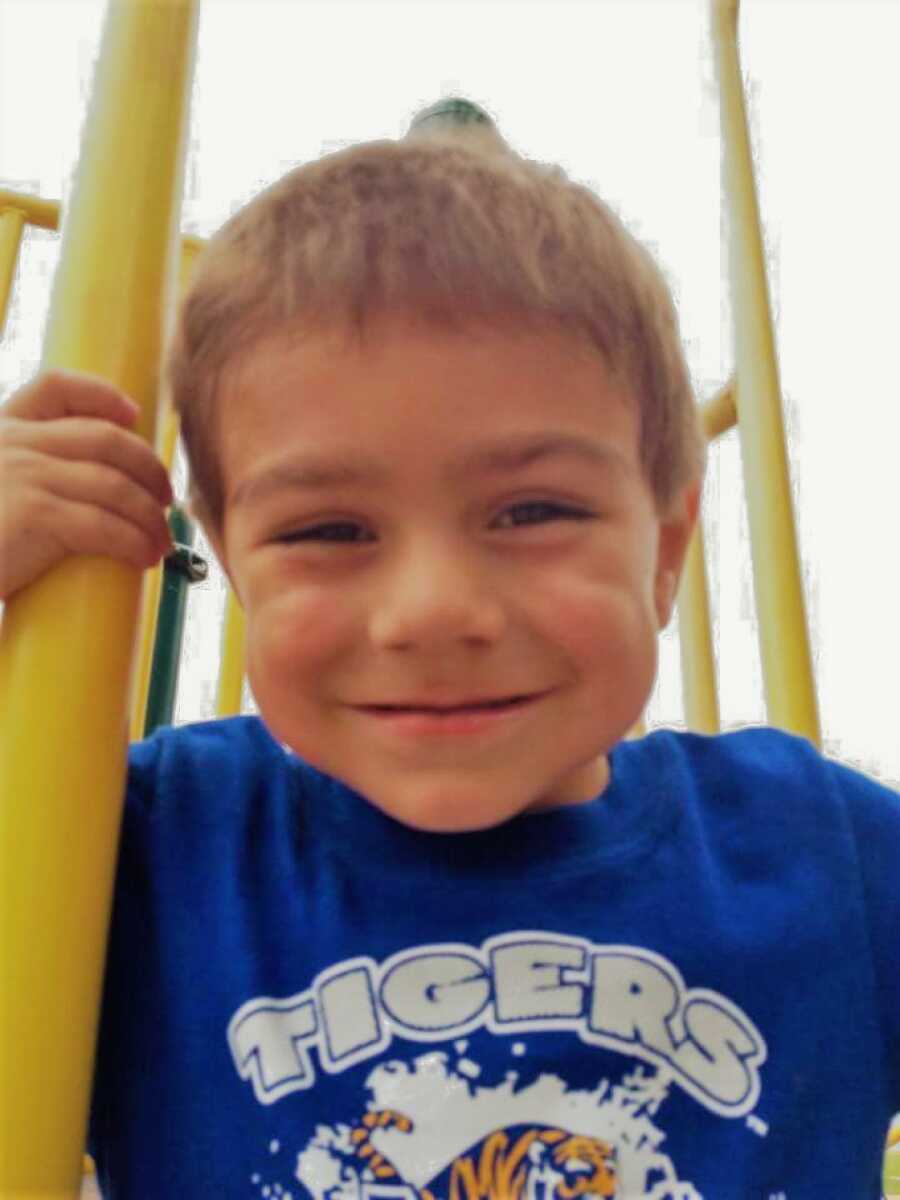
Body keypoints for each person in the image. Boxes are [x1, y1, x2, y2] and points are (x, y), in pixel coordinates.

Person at [1, 99, 898, 1199]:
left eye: (532, 513)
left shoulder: (824, 853)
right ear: (233, 562)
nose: (431, 610)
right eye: (330, 530)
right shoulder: (133, 850)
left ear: (664, 549)